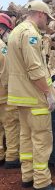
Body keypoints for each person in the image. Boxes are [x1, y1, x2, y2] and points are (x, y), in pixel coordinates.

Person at [7, 0, 55, 190]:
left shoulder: (15, 32)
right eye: (47, 18)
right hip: (35, 96)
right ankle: (41, 182)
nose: (47, 22)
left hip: (21, 98)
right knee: (41, 139)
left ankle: (28, 176)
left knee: (26, 137)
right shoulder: (31, 34)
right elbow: (34, 68)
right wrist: (48, 93)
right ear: (40, 14)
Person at [0, 13, 20, 168]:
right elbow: (6, 72)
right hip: (3, 95)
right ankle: (12, 157)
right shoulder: (2, 48)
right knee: (11, 124)